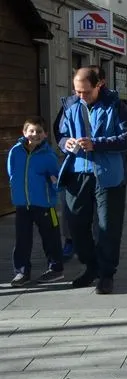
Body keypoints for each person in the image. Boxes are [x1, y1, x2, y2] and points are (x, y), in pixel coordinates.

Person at [58, 66, 127, 295]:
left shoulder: (115, 106)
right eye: (77, 91)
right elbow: (61, 135)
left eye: (86, 92)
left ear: (98, 85)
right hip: (77, 171)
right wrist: (67, 144)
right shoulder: (71, 105)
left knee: (108, 227)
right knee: (75, 223)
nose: (81, 96)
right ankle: (91, 265)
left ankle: (106, 274)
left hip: (108, 174)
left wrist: (98, 143)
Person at [6, 117, 64, 287]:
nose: (35, 134)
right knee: (22, 240)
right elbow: (12, 173)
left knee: (50, 237)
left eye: (39, 131)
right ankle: (22, 272)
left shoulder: (48, 156)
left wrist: (54, 184)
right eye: (31, 131)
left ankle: (56, 269)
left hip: (45, 205)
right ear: (24, 133)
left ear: (45, 134)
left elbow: (58, 180)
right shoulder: (15, 152)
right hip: (23, 204)